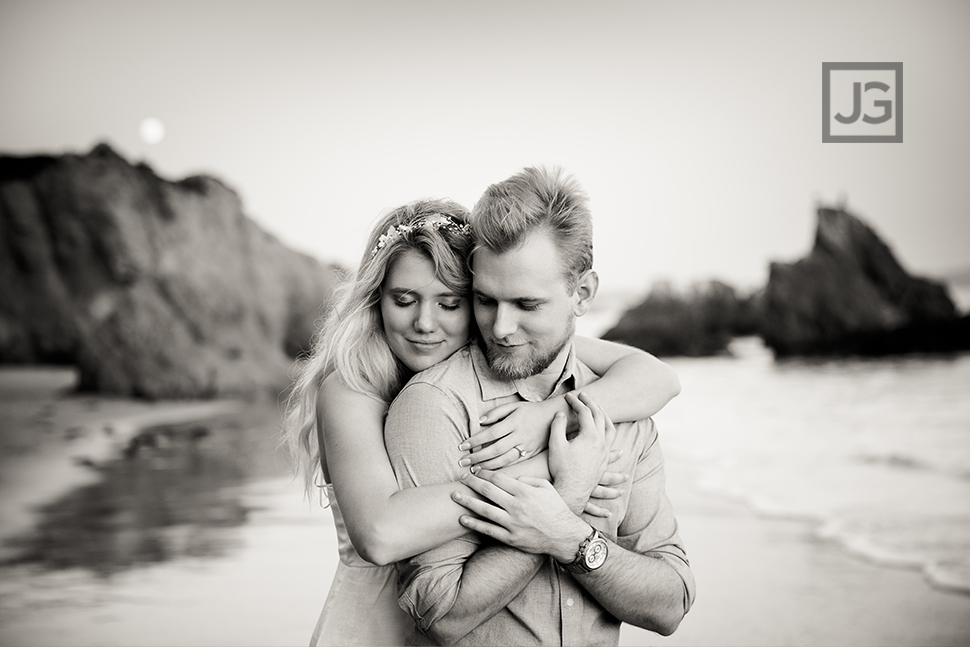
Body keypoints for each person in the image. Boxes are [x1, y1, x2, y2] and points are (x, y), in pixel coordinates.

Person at [284, 198, 681, 646]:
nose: (424, 323)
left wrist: (550, 415)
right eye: (404, 300)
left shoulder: (502, 339)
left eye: (450, 303)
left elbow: (657, 377)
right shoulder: (351, 389)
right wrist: (559, 470)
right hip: (371, 629)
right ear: (377, 300)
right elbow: (380, 533)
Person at [383, 168, 695, 646]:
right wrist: (567, 495)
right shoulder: (434, 405)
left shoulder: (622, 409)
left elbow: (671, 604)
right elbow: (439, 615)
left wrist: (568, 539)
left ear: (582, 294)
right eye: (485, 300)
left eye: (527, 305)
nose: (501, 328)